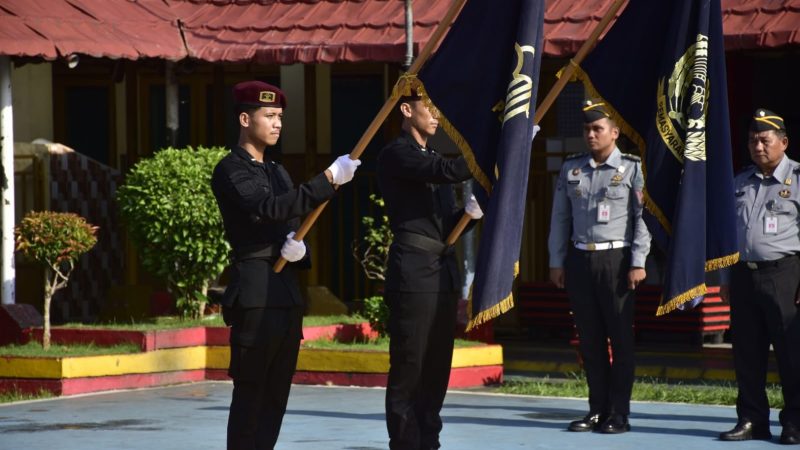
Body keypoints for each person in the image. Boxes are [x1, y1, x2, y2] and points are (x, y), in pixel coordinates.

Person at [211, 80, 361, 450]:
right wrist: (328, 179)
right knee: (251, 395)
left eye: (281, 117)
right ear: (245, 119)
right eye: (270, 116)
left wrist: (301, 251)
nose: (278, 124)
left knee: (276, 398)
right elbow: (269, 209)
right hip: (256, 293)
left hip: (286, 295)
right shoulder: (231, 169)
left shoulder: (278, 171)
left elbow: (291, 226)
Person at [377, 93, 483, 450]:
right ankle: (406, 443)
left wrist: (468, 215)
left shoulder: (432, 157)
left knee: (437, 366)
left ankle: (429, 440)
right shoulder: (397, 154)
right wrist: (493, 149)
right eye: (431, 108)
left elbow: (444, 227)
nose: (438, 116)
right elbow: (443, 173)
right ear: (407, 110)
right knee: (411, 364)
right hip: (414, 272)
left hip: (441, 270)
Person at [547, 99, 651, 434]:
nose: (591, 135)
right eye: (587, 129)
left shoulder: (633, 168)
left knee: (620, 339)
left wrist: (638, 261)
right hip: (580, 258)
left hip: (616, 260)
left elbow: (642, 220)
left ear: (614, 133)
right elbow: (560, 218)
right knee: (590, 341)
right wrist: (556, 260)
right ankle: (596, 409)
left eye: (597, 129)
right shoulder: (572, 169)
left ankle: (619, 413)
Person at [718, 108, 800, 445]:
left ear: (783, 142)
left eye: (764, 140)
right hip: (743, 277)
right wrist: (724, 280)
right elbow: (727, 235)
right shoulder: (739, 182)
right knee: (747, 354)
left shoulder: (798, 179)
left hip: (785, 276)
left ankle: (794, 421)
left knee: (791, 355)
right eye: (752, 140)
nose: (758, 146)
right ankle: (752, 419)